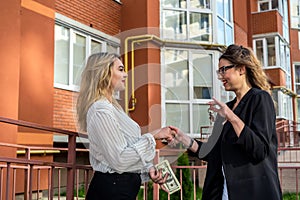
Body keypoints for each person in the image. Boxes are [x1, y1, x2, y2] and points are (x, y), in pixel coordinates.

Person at [169, 44, 282, 200]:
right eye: (219, 71)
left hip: (252, 192)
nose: (220, 76)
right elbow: (211, 152)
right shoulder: (227, 108)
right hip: (223, 193)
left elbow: (259, 150)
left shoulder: (260, 98)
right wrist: (183, 138)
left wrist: (232, 117)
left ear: (241, 69)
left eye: (224, 70)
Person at [76, 53, 173, 200]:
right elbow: (120, 159)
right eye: (120, 69)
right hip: (111, 190)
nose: (126, 74)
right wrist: (153, 136)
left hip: (121, 188)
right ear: (104, 73)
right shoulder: (100, 110)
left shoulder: (113, 107)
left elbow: (127, 148)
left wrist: (148, 169)